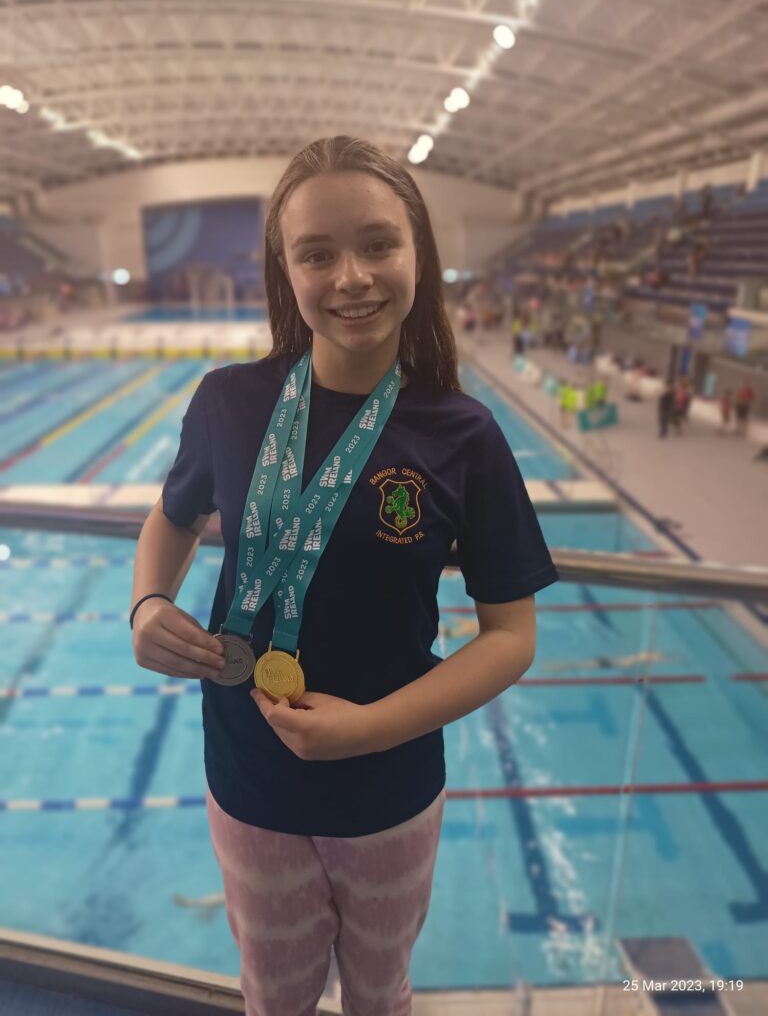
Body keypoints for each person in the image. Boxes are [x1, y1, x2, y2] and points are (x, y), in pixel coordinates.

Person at [130, 135, 560, 1016]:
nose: (351, 276)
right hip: (250, 773)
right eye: (316, 254)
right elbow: (174, 516)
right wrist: (146, 602)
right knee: (274, 995)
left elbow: (512, 636)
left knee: (380, 994)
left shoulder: (463, 434)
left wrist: (370, 730)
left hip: (390, 783)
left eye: (377, 245)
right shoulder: (229, 402)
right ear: (284, 270)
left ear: (418, 256)